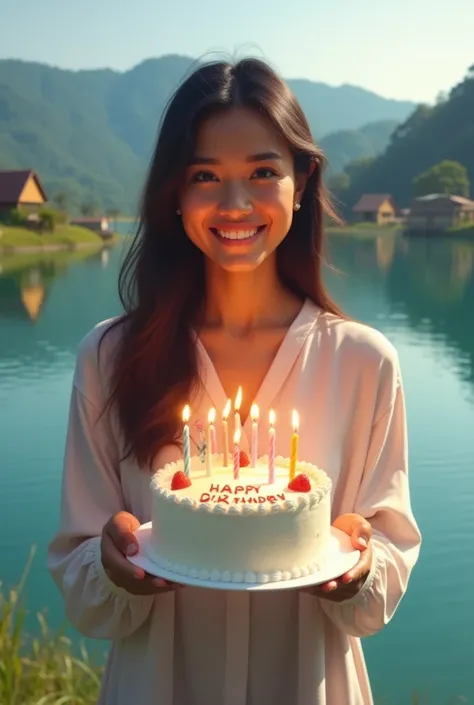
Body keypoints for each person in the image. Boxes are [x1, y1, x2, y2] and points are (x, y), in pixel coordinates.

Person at [47, 57, 421, 705]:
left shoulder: (364, 363)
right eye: (204, 177)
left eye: (262, 171)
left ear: (301, 182)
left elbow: (382, 577)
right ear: (174, 194)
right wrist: (113, 570)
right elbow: (84, 588)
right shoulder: (109, 358)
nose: (235, 203)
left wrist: (361, 570)